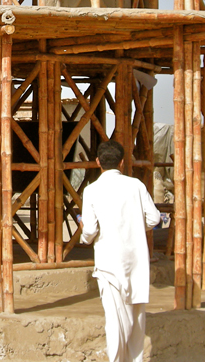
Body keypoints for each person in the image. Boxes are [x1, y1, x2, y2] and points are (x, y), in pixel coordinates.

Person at [80, 140, 161, 362]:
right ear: (122, 162)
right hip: (137, 262)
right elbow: (154, 218)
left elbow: (89, 231)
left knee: (115, 320)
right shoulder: (136, 186)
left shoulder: (91, 190)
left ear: (98, 162)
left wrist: (84, 235)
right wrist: (136, 226)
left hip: (109, 263)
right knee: (137, 318)